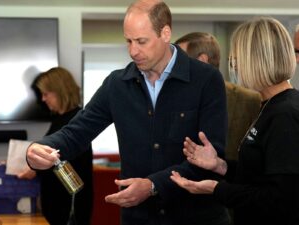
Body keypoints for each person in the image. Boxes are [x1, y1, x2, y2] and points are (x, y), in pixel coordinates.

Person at [26, 1, 230, 225]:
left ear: (165, 33)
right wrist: (38, 149)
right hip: (139, 218)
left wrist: (153, 186)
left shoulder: (206, 79)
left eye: (141, 41)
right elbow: (76, 132)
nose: (133, 51)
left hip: (195, 218)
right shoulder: (116, 84)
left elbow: (211, 158)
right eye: (128, 41)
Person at [170, 17, 299, 225]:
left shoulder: (285, 113)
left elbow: (282, 199)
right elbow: (259, 175)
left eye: (237, 59)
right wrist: (220, 166)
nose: (235, 67)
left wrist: (216, 189)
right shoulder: (270, 105)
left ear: (256, 60)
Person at [18, 67, 93, 225]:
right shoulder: (59, 119)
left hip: (70, 206)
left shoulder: (78, 119)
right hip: (57, 203)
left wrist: (35, 168)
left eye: (46, 94)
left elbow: (66, 161)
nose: (43, 99)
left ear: (60, 90)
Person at [174, 32, 261, 161]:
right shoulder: (173, 97)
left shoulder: (250, 100)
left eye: (180, 59)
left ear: (202, 60)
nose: (174, 65)